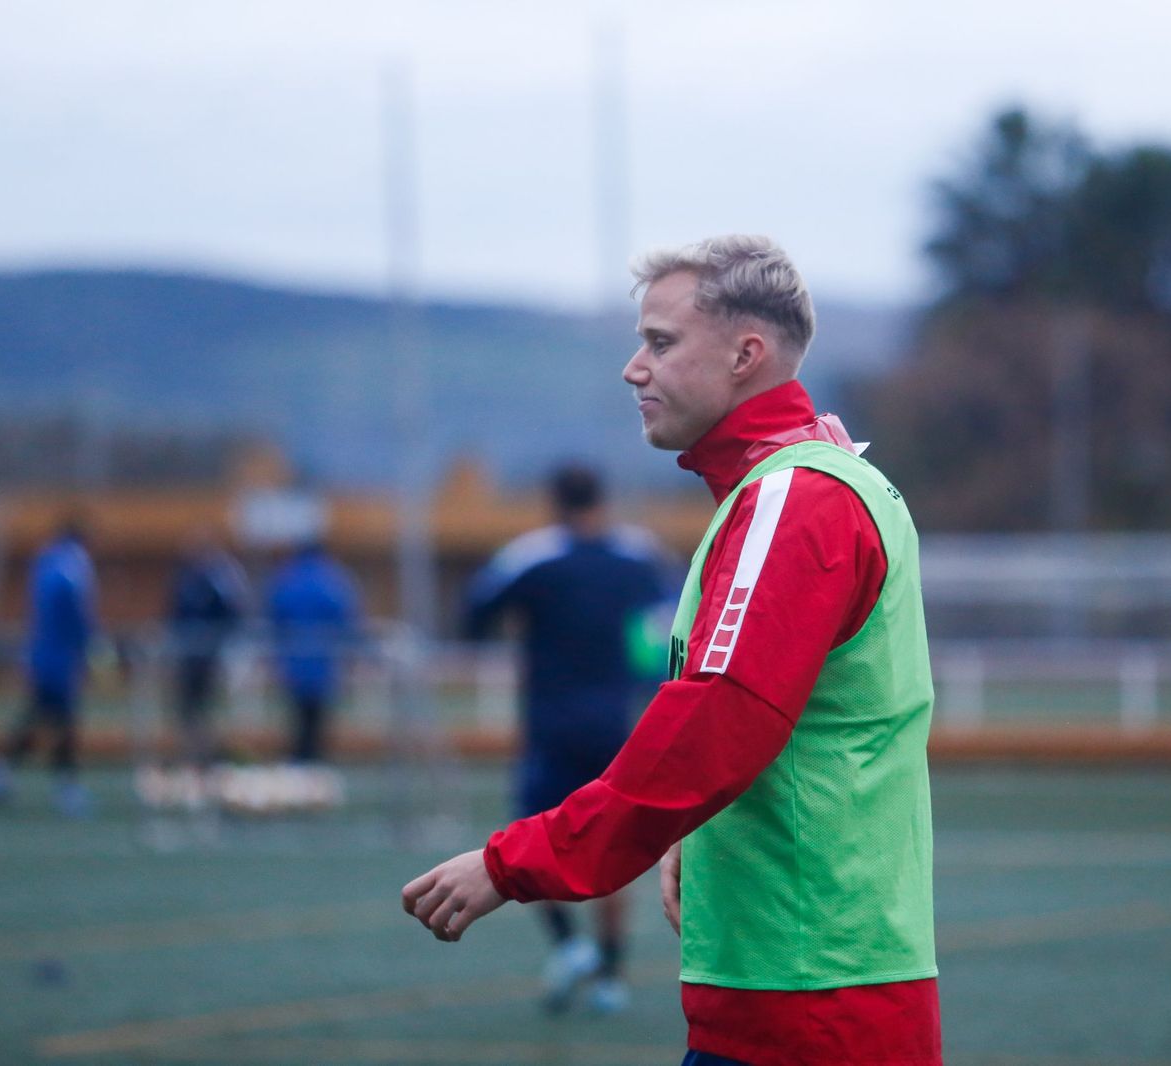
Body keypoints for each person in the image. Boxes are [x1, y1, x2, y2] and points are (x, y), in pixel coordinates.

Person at [403, 235, 940, 1066]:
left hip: (807, 996)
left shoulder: (795, 501)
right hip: (813, 977)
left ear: (745, 355)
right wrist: (692, 837)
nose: (633, 368)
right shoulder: (798, 485)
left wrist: (515, 863)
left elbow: (717, 724)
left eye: (660, 342)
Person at [461, 463, 673, 1014]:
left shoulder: (532, 556)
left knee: (527, 835)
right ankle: (611, 974)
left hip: (550, 722)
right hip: (616, 724)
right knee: (612, 843)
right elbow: (665, 631)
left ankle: (569, 944)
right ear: (602, 498)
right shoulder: (638, 557)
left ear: (554, 503)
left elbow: (474, 616)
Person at [0, 518, 100, 817]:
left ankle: (1, 769)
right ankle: (65, 786)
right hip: (59, 657)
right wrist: (89, 650)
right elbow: (76, 614)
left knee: (39, 716)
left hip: (43, 652)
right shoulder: (72, 566)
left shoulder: (46, 562)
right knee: (62, 721)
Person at [266, 539, 360, 764]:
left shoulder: (287, 579)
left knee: (298, 722)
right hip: (325, 664)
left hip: (294, 663)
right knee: (317, 723)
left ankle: (300, 766)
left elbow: (275, 618)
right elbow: (346, 621)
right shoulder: (333, 580)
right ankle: (315, 766)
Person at [167, 529, 250, 769]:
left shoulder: (219, 578)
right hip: (189, 655)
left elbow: (233, 613)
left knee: (204, 706)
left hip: (209, 656)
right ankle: (195, 755)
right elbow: (176, 614)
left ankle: (209, 756)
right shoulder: (186, 578)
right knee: (188, 708)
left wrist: (221, 643)